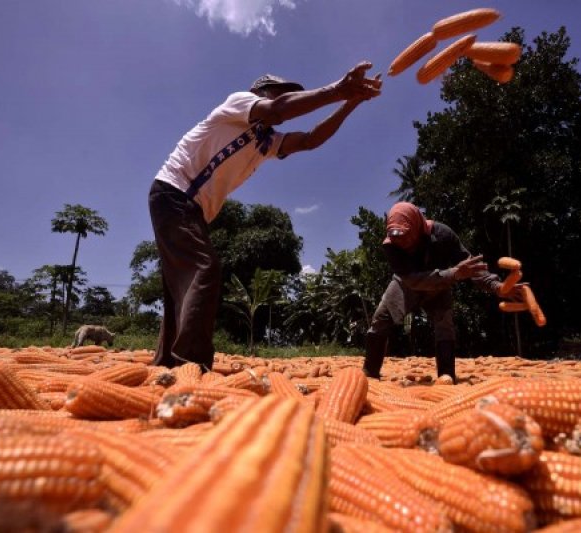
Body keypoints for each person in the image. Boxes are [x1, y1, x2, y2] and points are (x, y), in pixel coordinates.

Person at [149, 62, 382, 371]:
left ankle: (166, 364)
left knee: (181, 286)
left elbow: (310, 139)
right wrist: (337, 90)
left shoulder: (265, 143)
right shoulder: (239, 102)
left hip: (189, 208)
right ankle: (190, 365)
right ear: (261, 93)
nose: (284, 100)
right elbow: (277, 111)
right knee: (205, 269)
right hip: (174, 192)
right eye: (279, 94)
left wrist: (348, 104)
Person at [363, 202, 518, 382]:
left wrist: (496, 286)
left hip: (439, 286)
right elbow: (412, 279)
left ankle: (446, 374)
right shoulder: (391, 245)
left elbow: (470, 265)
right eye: (397, 239)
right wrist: (454, 273)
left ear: (416, 225)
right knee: (381, 319)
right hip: (407, 284)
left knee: (445, 326)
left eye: (406, 236)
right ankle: (370, 371)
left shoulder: (443, 235)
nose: (402, 243)